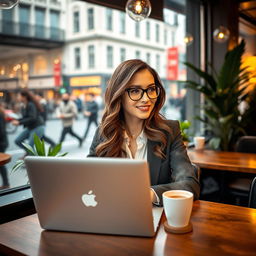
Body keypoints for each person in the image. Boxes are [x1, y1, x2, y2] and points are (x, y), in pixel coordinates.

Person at [88, 59, 200, 205]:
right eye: (135, 91)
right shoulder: (104, 133)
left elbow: (189, 185)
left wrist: (149, 194)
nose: (146, 98)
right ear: (119, 94)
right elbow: (88, 182)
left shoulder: (169, 131)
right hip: (111, 214)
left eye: (151, 89)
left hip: (154, 217)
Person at [12, 90, 45, 154]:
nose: (17, 97)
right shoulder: (24, 105)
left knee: (30, 147)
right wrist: (18, 120)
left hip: (37, 127)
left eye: (19, 96)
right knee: (18, 141)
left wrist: (19, 122)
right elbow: (26, 117)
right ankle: (29, 154)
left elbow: (32, 118)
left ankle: (32, 158)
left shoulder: (31, 104)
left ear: (24, 97)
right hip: (30, 127)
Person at [0, 102, 10, 189]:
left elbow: (1, 130)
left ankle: (6, 184)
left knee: (1, 163)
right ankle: (6, 183)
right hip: (3, 142)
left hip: (1, 142)